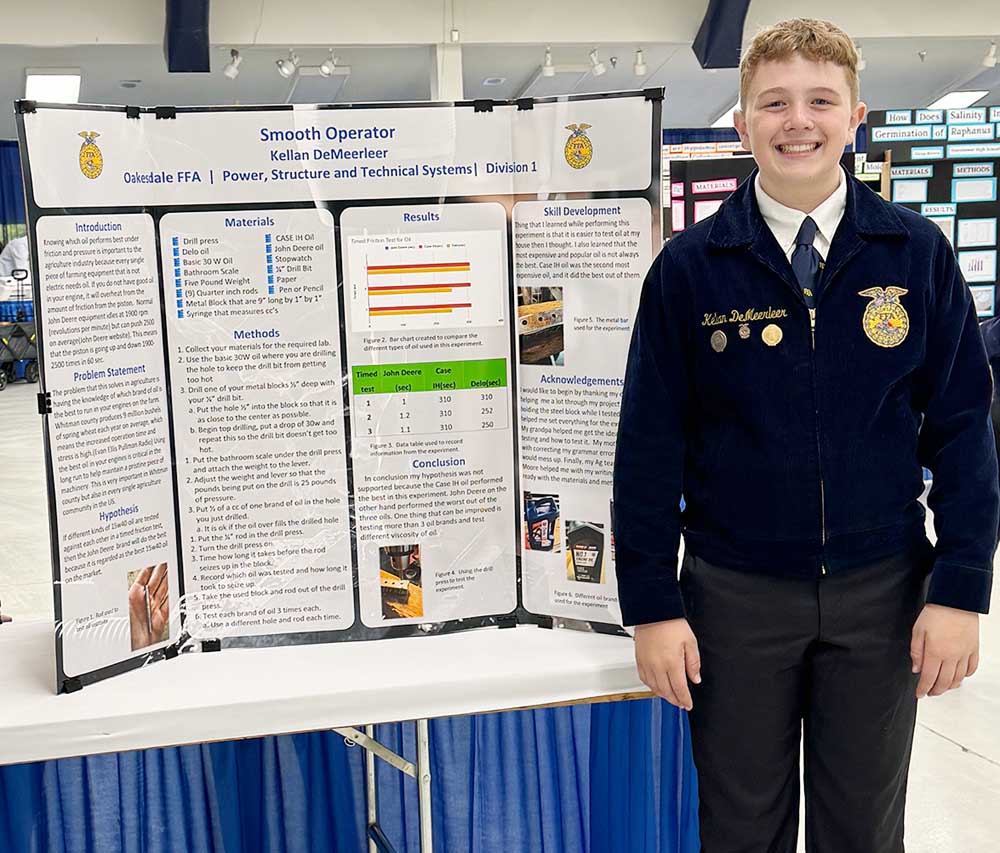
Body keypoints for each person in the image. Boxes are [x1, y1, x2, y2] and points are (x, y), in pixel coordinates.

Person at [613, 18, 998, 853]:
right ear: (742, 121)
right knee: (741, 829)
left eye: (821, 101)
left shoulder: (916, 256)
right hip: (733, 598)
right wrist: (651, 604)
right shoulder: (689, 270)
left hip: (881, 592)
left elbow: (964, 429)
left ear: (854, 117)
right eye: (774, 102)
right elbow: (646, 447)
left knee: (862, 831)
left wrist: (961, 587)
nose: (798, 121)